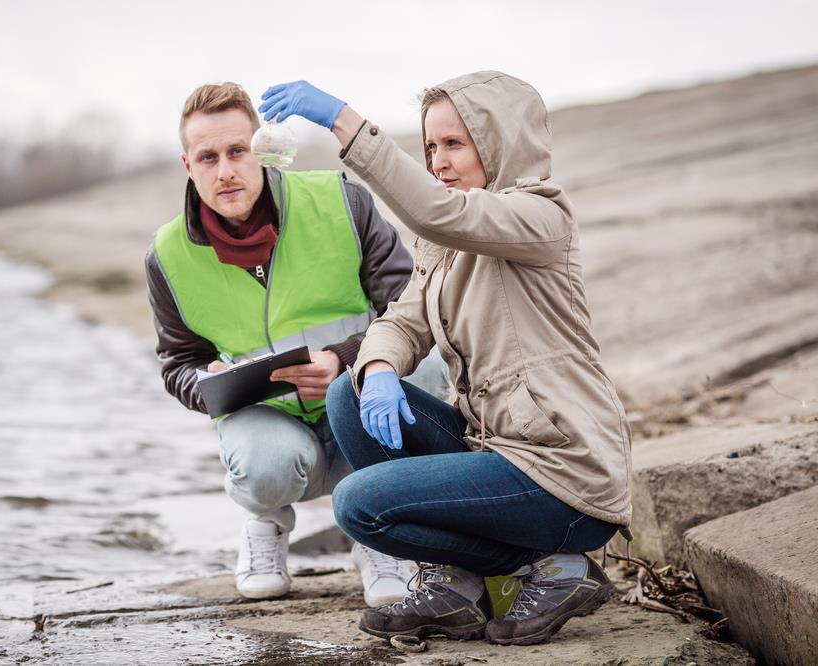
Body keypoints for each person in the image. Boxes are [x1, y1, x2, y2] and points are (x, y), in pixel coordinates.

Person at [258, 73, 632, 645]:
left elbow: (437, 212)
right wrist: (379, 368)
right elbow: (401, 323)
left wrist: (343, 120)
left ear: (500, 141)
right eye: (430, 147)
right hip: (498, 451)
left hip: (563, 473)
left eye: (454, 144)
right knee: (349, 392)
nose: (438, 161)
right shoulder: (448, 243)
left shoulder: (539, 217)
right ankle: (455, 587)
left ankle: (556, 568)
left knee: (359, 505)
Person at [145, 82, 450, 604]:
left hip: (355, 396)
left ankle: (376, 530)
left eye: (238, 151)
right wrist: (207, 383)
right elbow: (179, 363)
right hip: (269, 418)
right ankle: (264, 523)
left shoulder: (340, 199)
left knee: (425, 371)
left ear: (260, 148)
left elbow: (409, 305)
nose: (226, 171)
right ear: (187, 164)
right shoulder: (166, 255)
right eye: (208, 157)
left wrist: (345, 360)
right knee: (265, 465)